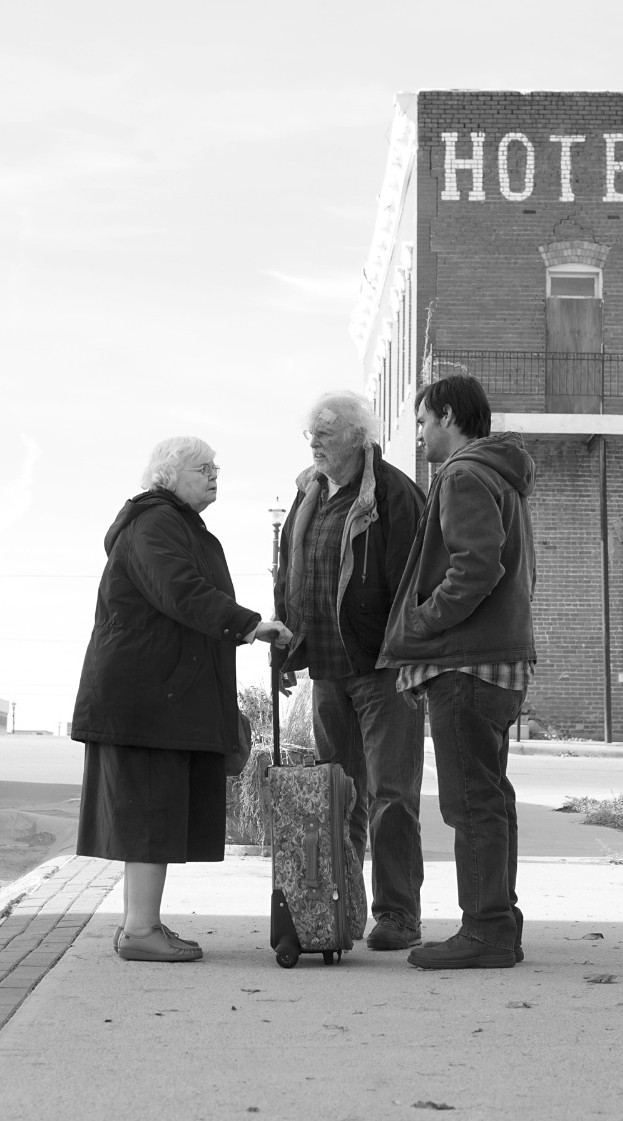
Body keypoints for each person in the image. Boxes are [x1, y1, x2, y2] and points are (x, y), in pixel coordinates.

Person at [71, 436, 291, 962]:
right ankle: (140, 930)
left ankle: (140, 925)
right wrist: (250, 626)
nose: (214, 475)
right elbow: (181, 591)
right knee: (150, 816)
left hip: (156, 697)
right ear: (169, 476)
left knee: (155, 815)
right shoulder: (155, 524)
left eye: (216, 467)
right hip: (148, 700)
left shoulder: (173, 523)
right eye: (202, 468)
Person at [378, 374, 537, 970]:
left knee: (470, 803)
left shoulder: (465, 475)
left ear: (447, 415)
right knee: (490, 799)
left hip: (467, 664)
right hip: (497, 662)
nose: (418, 435)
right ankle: (499, 924)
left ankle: (487, 931)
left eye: (422, 422)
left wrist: (420, 623)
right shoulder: (502, 476)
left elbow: (476, 567)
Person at [273, 392, 427, 950]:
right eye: (310, 433)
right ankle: (336, 908)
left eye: (326, 433)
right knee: (339, 795)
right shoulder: (308, 492)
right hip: (328, 673)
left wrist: (407, 655)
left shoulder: (392, 494)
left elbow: (415, 583)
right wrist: (286, 650)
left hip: (384, 671)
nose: (314, 442)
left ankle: (398, 915)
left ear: (359, 438)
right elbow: (290, 571)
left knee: (391, 794)